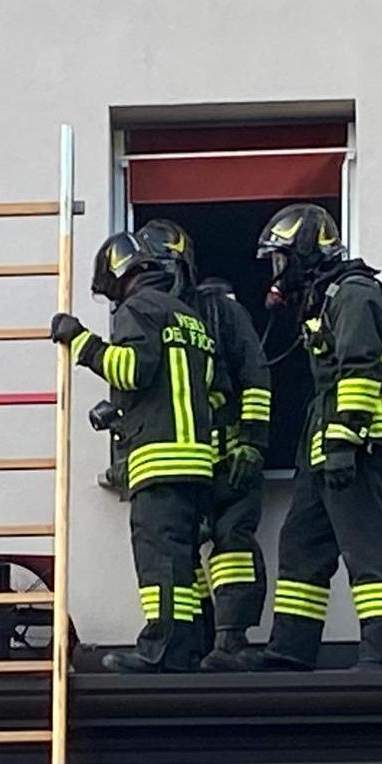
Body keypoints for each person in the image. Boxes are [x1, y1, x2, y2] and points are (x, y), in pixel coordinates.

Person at [242, 203, 382, 672]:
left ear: (303, 251)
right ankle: (290, 650)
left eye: (280, 258)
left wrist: (344, 441)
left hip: (359, 444)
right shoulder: (326, 298)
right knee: (302, 544)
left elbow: (359, 369)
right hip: (325, 443)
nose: (277, 270)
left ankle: (379, 652)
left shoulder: (354, 294)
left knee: (367, 547)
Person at [50, 232, 217, 673]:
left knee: (159, 562)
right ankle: (194, 647)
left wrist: (80, 342)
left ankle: (163, 651)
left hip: (159, 459)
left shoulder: (137, 309)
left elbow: (133, 370)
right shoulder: (188, 317)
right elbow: (191, 385)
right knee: (184, 563)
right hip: (198, 461)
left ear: (120, 274)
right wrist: (124, 411)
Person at [135, 219, 272, 672]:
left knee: (232, 544)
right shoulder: (150, 316)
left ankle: (231, 642)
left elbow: (255, 375)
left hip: (229, 453)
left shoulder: (219, 311)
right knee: (181, 553)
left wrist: (251, 442)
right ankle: (191, 644)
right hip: (181, 458)